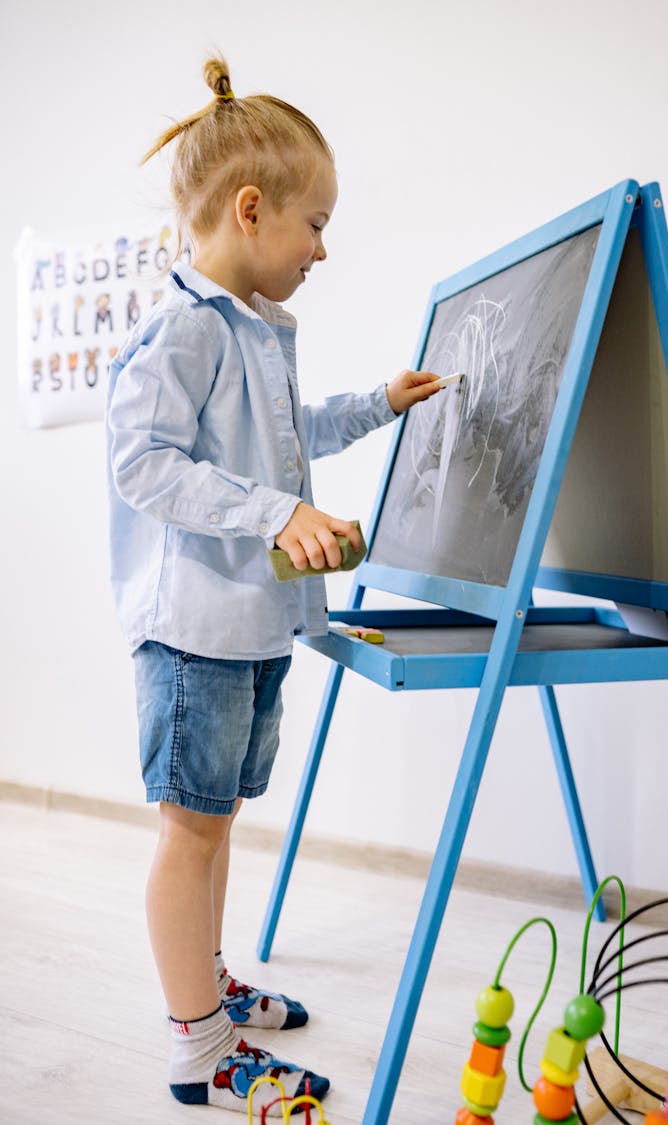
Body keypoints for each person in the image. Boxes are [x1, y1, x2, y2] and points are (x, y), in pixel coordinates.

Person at [105, 55, 442, 1116]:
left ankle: (204, 987)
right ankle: (197, 1047)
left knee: (216, 820)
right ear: (251, 211)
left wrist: (379, 404)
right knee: (190, 829)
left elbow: (286, 448)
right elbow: (142, 464)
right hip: (195, 631)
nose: (323, 248)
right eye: (315, 223)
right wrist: (275, 514)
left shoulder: (256, 330)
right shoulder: (187, 329)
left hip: (248, 630)